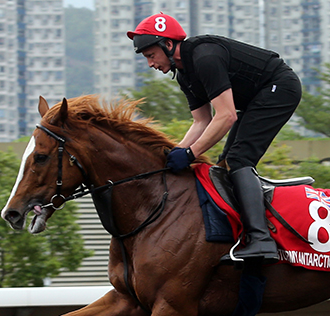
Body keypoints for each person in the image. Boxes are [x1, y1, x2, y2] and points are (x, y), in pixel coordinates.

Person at [127, 13, 302, 265]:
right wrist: (174, 152)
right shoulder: (185, 74)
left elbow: (227, 115)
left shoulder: (204, 57)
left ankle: (261, 239)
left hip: (279, 88)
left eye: (151, 55)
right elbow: (202, 121)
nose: (150, 64)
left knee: (239, 160)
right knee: (225, 164)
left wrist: (190, 154)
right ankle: (244, 232)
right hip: (256, 98)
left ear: (167, 45)